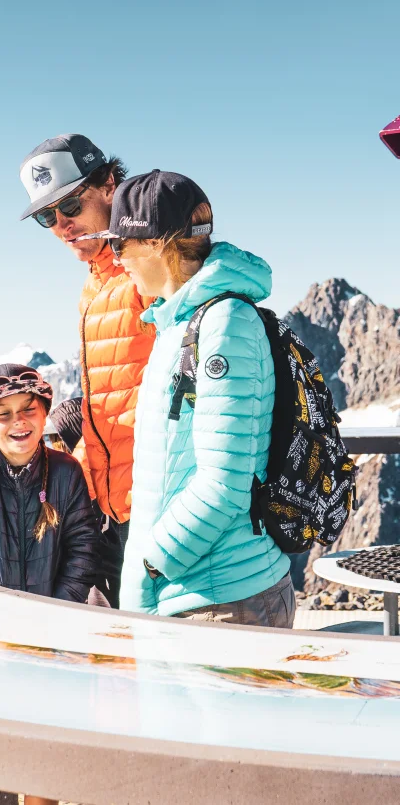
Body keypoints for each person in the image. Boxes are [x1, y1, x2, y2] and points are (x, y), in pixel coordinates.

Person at [86, 170, 295, 627]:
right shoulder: (179, 321)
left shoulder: (223, 325)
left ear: (158, 244)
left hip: (222, 600)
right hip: (195, 593)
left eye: (121, 245)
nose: (116, 259)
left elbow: (224, 486)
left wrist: (150, 565)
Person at [19, 134, 155, 607]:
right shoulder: (96, 282)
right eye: (46, 216)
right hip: (113, 508)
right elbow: (121, 393)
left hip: (156, 508)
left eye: (71, 205)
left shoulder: (148, 266)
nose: (62, 225)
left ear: (109, 186)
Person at [0, 364, 99, 604]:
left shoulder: (67, 471)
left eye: (29, 409)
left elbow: (83, 549)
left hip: (60, 618)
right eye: (3, 414)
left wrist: (61, 609)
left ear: (44, 416)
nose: (19, 421)